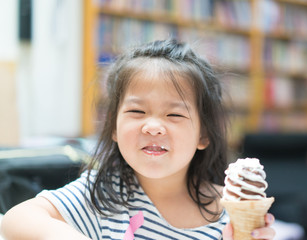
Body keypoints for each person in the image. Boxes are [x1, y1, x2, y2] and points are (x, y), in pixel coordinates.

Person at [0, 39, 275, 240]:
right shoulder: (104, 194)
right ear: (114, 128)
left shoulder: (228, 210)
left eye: (174, 115)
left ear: (203, 134)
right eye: (137, 111)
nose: (153, 126)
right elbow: (16, 219)